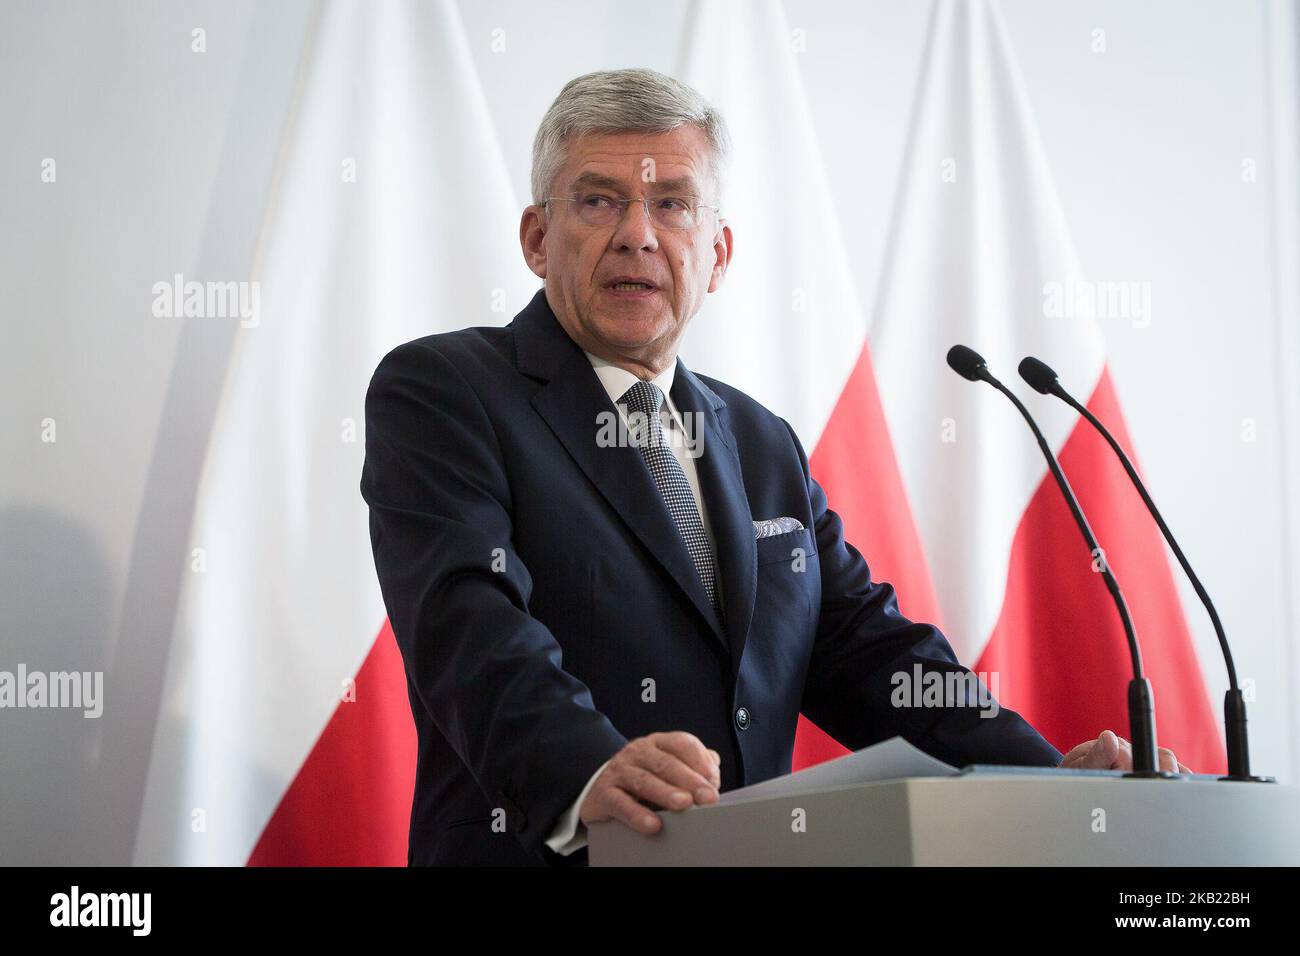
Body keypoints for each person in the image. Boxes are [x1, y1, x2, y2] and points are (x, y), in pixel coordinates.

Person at [360, 68, 1185, 867]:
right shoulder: (447, 392)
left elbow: (871, 654)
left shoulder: (760, 440)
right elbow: (467, 625)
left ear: (716, 254)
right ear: (538, 239)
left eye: (672, 203)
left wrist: (1045, 779)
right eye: (599, 200)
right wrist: (589, 768)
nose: (637, 233)